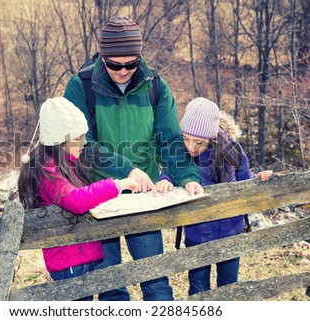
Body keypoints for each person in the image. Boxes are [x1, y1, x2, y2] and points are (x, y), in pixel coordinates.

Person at [64, 15, 204, 301]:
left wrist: (188, 177)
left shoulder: (155, 86)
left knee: (154, 278)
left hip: (144, 197)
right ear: (103, 58)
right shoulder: (81, 87)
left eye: (131, 63)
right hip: (99, 198)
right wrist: (127, 171)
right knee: (110, 282)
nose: (124, 71)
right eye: (115, 64)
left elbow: (169, 140)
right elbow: (82, 146)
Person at [17, 97, 140, 301]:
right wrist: (118, 184)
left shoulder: (68, 163)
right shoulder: (47, 171)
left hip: (81, 256)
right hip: (69, 263)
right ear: (59, 141)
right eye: (78, 138)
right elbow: (75, 200)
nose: (84, 143)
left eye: (83, 137)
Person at [156, 97, 273, 295]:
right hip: (197, 232)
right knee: (198, 287)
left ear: (211, 137)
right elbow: (170, 173)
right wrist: (165, 180)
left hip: (230, 231)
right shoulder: (180, 152)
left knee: (228, 286)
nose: (191, 147)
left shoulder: (231, 150)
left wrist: (259, 178)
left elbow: (245, 180)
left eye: (198, 142)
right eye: (186, 139)